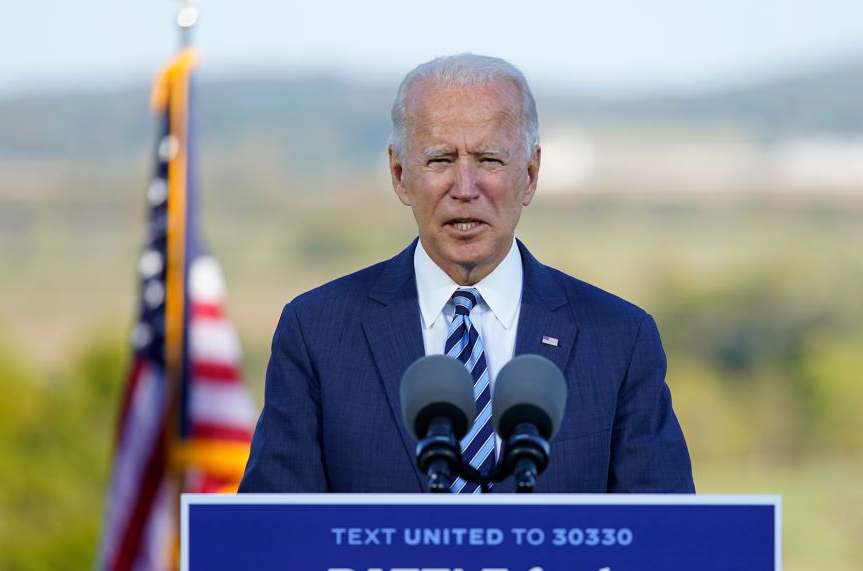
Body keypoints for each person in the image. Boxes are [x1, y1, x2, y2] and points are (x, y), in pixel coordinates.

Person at [239, 54, 692, 493]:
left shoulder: (618, 338)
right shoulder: (316, 331)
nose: (465, 188)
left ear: (530, 174)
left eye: (489, 160)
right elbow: (273, 541)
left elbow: (666, 540)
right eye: (440, 160)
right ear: (399, 175)